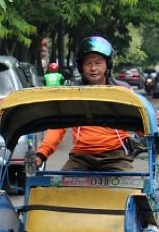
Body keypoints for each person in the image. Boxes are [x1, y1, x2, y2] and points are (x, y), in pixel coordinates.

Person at [34, 36, 134, 171]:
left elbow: (140, 121)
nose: (93, 68)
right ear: (81, 67)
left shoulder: (123, 91)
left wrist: (153, 124)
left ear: (107, 64)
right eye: (88, 64)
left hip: (116, 156)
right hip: (81, 157)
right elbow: (58, 127)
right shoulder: (73, 93)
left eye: (98, 63)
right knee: (59, 189)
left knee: (130, 187)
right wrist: (42, 154)